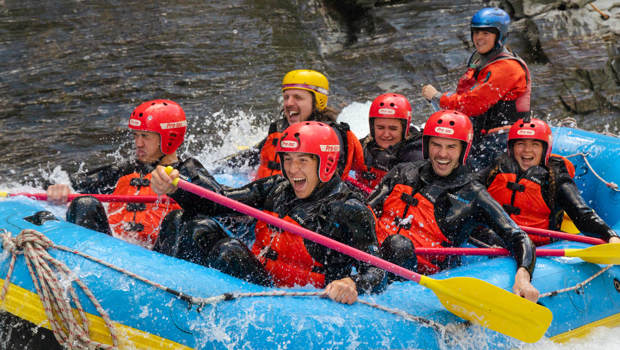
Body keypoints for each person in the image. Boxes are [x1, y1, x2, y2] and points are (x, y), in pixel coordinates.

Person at [151, 121, 385, 304]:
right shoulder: (278, 188)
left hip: (298, 301)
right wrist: (177, 186)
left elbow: (378, 270)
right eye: (288, 160)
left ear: (326, 162)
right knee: (187, 222)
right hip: (263, 279)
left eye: (302, 160)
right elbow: (220, 202)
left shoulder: (350, 208)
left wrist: (352, 283)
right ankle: (164, 292)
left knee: (228, 252)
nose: (293, 170)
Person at [367, 109, 539, 302]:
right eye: (436, 145)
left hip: (421, 276)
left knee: (398, 245)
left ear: (463, 150)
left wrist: (524, 277)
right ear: (426, 145)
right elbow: (367, 212)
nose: (442, 154)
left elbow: (518, 236)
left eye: (451, 147)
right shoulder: (402, 172)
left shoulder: (473, 193)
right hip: (371, 258)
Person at [46, 99, 222, 249]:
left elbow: (219, 202)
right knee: (84, 203)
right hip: (111, 253)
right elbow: (73, 183)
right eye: (136, 135)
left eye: (145, 136)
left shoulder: (188, 171)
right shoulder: (125, 170)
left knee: (177, 219)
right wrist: (59, 187)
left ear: (170, 138)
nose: (138, 143)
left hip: (161, 257)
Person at [480, 118, 620, 246]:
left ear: (545, 149)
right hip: (494, 241)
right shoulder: (497, 168)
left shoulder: (555, 176)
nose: (527, 150)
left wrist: (610, 235)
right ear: (511, 148)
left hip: (537, 246)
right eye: (520, 144)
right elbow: (469, 191)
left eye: (535, 145)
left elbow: (581, 214)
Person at [421, 7, 531, 171]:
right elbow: (463, 95)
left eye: (486, 33)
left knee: (465, 173)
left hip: (502, 139)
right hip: (484, 135)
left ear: (499, 36)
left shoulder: (507, 67)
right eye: (476, 33)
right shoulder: (482, 61)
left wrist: (436, 97)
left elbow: (471, 104)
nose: (478, 38)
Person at [254, 69, 366, 181]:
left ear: (317, 101)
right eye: (286, 97)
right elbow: (250, 158)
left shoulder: (330, 137)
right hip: (262, 191)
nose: (288, 103)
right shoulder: (279, 128)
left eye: (297, 97)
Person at [355, 93, 423, 190]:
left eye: (393, 128)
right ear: (372, 128)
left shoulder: (416, 154)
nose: (386, 134)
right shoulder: (364, 146)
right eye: (380, 127)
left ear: (405, 129)